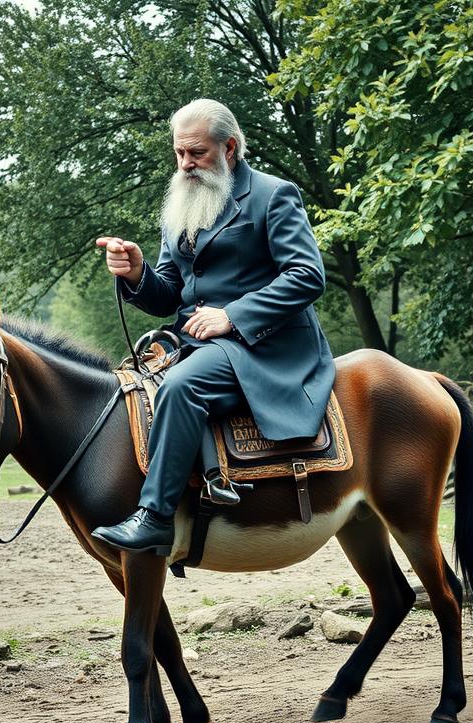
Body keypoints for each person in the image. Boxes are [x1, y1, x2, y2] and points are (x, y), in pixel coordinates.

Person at [90, 98, 335, 555]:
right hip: (197, 341)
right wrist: (136, 272)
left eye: (197, 153)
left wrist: (232, 316)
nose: (186, 164)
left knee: (182, 385)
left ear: (229, 148)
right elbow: (170, 293)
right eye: (179, 153)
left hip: (267, 346)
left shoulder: (273, 194)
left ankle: (156, 518)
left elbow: (306, 275)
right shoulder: (181, 205)